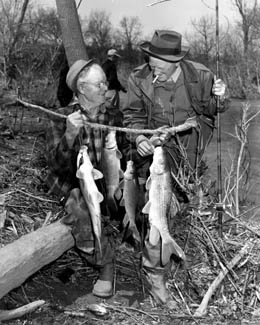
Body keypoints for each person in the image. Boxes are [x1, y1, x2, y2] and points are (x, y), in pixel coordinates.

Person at [122, 30, 229, 307]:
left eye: (157, 58)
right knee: (155, 212)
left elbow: (213, 109)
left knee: (179, 210)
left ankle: (174, 265)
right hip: (158, 153)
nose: (151, 62)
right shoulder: (139, 77)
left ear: (175, 60)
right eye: (150, 56)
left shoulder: (200, 75)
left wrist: (221, 97)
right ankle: (155, 277)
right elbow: (131, 117)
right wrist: (141, 138)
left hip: (190, 152)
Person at [45, 59, 121, 298]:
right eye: (98, 84)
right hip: (72, 183)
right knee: (81, 210)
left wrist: (142, 145)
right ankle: (106, 267)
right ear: (81, 89)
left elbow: (124, 153)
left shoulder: (113, 116)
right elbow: (56, 167)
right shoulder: (60, 117)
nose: (104, 88)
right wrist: (69, 134)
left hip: (104, 181)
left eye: (105, 83)